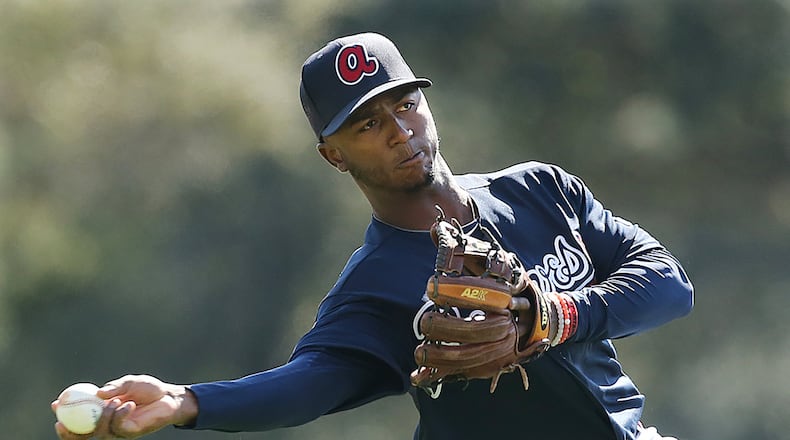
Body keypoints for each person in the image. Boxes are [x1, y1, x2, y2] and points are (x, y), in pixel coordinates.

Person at [52, 32, 693, 440]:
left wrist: (556, 316)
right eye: (365, 124)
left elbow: (668, 282)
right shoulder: (374, 289)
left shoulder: (538, 189)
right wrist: (186, 400)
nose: (398, 130)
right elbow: (306, 384)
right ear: (333, 155)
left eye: (404, 104)